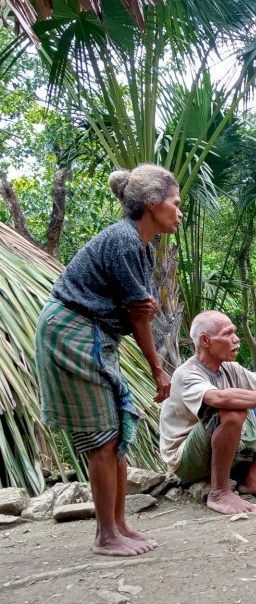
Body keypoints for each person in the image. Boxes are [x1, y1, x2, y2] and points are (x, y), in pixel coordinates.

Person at [35, 164, 179, 556]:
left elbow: (141, 311)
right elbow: (139, 315)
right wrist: (157, 370)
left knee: (115, 431)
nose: (179, 212)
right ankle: (106, 535)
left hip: (96, 333)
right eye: (175, 203)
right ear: (152, 205)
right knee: (104, 435)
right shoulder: (124, 241)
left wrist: (142, 313)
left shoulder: (142, 247)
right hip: (74, 331)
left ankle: (119, 526)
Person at [159, 311, 256, 515]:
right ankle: (219, 492)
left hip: (220, 449)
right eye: (228, 334)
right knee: (231, 411)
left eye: (235, 332)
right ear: (205, 340)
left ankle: (252, 477)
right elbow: (218, 399)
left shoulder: (230, 368)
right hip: (186, 462)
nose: (236, 340)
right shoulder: (187, 374)